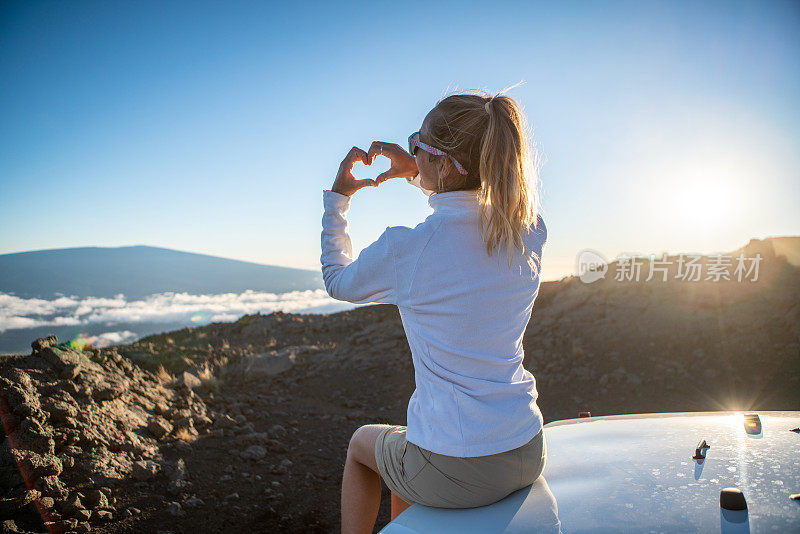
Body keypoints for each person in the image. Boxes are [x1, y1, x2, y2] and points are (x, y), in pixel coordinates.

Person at [320, 90, 548, 534]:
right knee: (411, 441)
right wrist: (420, 171)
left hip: (460, 468)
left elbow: (337, 282)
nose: (411, 153)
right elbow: (464, 211)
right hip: (524, 447)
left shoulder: (404, 250)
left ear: (443, 164)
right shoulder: (530, 229)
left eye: (417, 146)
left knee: (362, 445)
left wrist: (338, 200)